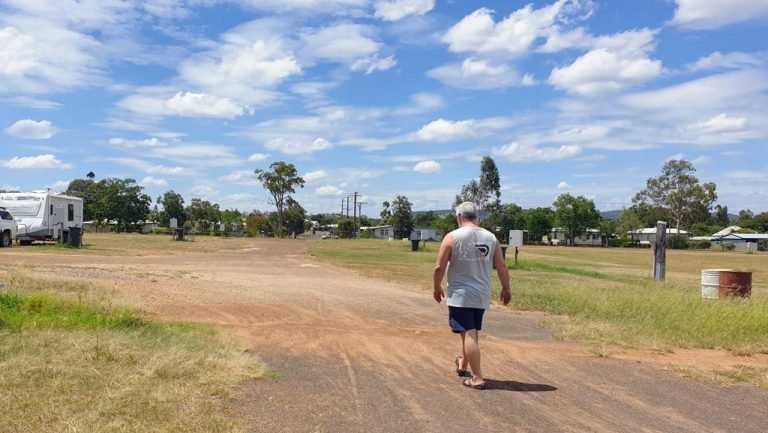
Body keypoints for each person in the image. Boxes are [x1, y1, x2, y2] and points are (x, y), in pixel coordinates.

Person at [432, 201, 511, 390]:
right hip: (481, 295)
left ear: (459, 217)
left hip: (461, 295)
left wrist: (436, 286)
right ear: (477, 217)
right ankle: (463, 364)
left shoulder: (452, 237)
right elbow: (501, 266)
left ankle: (477, 377)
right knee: (469, 331)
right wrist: (506, 288)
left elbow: (438, 267)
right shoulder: (491, 237)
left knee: (468, 332)